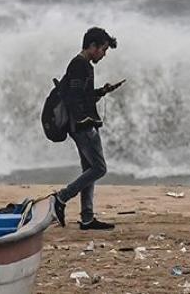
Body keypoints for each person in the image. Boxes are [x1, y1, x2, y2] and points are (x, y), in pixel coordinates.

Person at [53, 27, 124, 230]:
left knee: (89, 169)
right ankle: (61, 197)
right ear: (92, 46)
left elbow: (81, 95)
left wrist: (102, 91)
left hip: (81, 124)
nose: (103, 54)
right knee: (99, 168)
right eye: (103, 49)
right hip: (83, 126)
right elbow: (73, 98)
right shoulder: (79, 65)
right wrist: (84, 121)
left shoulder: (82, 65)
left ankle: (87, 217)